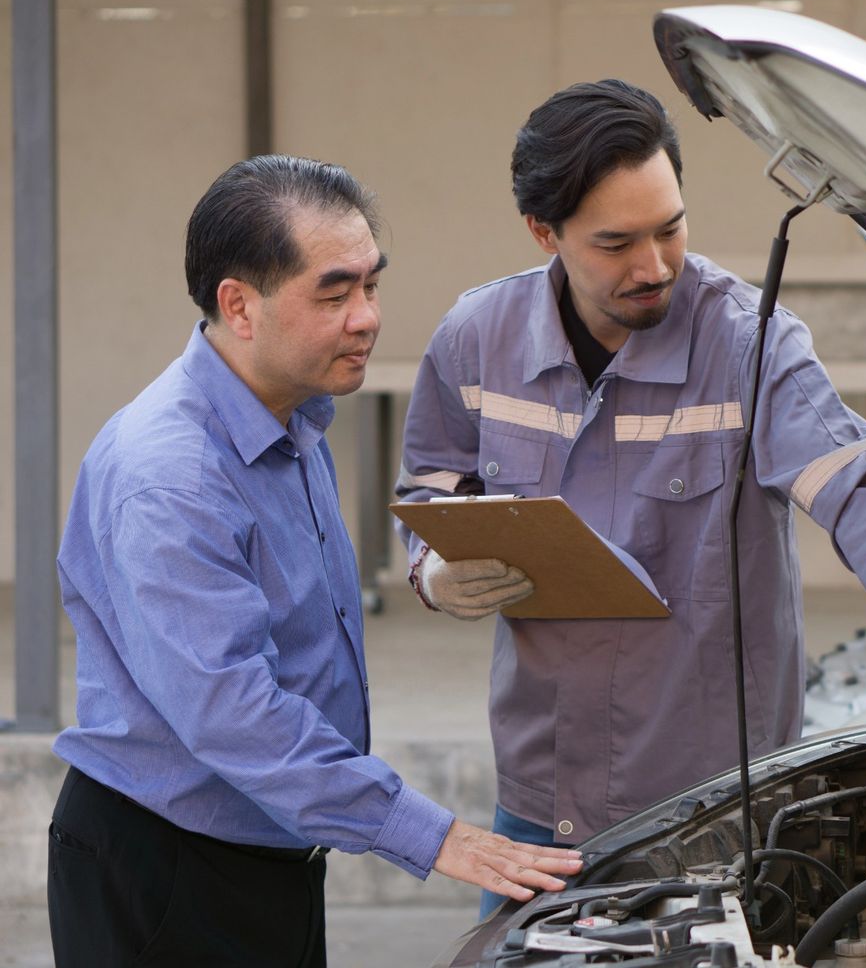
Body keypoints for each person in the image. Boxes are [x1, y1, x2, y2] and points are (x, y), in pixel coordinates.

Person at [396, 81, 866, 912]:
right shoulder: (477, 339)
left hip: (714, 812)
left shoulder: (748, 344)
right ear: (545, 232)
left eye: (670, 228)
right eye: (616, 243)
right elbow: (432, 483)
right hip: (539, 808)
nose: (654, 267)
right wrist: (433, 571)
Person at [48, 155, 582, 967]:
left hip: (272, 847)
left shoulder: (293, 422)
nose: (366, 317)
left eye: (371, 285)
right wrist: (429, 834)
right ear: (239, 305)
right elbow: (235, 712)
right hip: (169, 869)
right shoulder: (171, 477)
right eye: (334, 293)